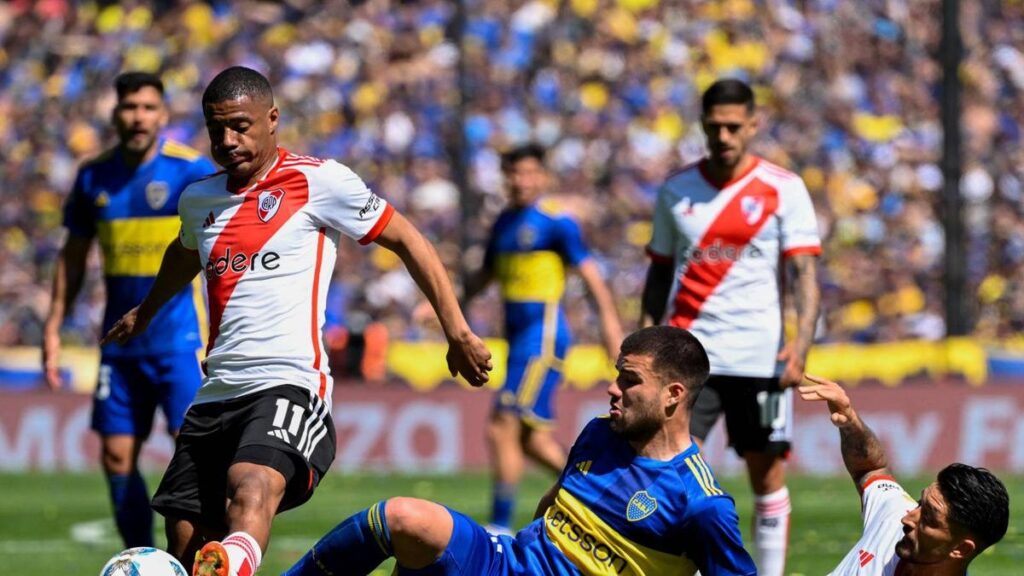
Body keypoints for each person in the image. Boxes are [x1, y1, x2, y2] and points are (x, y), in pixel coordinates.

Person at [102, 66, 493, 576]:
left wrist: (457, 329)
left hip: (289, 382)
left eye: (240, 126)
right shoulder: (200, 199)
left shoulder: (318, 181)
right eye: (215, 128)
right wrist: (145, 311)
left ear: (272, 119)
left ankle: (234, 564)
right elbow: (183, 252)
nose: (227, 140)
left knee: (251, 486)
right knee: (185, 542)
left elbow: (408, 238)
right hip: (216, 391)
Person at [284, 325, 756, 576]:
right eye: (616, 375)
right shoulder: (598, 434)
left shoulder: (703, 506)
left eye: (629, 381)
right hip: (507, 564)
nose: (613, 389)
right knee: (404, 518)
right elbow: (552, 503)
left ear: (674, 394)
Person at [640, 77, 821, 576]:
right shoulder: (677, 190)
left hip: (758, 357)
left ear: (753, 125)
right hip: (688, 356)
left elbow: (805, 274)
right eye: (715, 126)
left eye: (734, 126)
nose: (723, 136)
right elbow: (658, 272)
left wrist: (799, 347)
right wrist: (641, 346)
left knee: (767, 473)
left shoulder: (784, 189)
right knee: (674, 472)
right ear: (702, 124)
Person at [42, 71, 216, 548]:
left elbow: (221, 251)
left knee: (192, 454)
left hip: (181, 342)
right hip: (119, 346)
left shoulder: (190, 172)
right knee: (117, 458)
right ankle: (140, 558)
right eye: (129, 107)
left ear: (162, 115)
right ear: (115, 113)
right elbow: (73, 256)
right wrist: (54, 325)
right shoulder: (93, 176)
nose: (138, 116)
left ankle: (194, 556)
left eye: (147, 107)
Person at [462, 143, 624, 534]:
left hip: (543, 338)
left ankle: (499, 527)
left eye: (529, 173)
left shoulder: (556, 223)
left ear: (543, 177)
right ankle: (606, 495)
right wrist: (447, 304)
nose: (521, 180)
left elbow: (591, 277)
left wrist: (609, 327)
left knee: (502, 424)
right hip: (518, 340)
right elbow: (484, 277)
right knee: (532, 441)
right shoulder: (502, 223)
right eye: (514, 173)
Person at [798, 374, 1009, 575]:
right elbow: (871, 469)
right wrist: (851, 423)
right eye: (920, 504)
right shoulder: (895, 517)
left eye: (928, 518)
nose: (907, 518)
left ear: (961, 549)